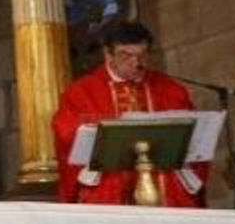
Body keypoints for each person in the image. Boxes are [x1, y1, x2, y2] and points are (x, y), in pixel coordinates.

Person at [52, 18, 208, 205]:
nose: (136, 63)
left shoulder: (171, 90)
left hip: (165, 182)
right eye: (126, 56)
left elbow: (195, 142)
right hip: (109, 182)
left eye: (142, 55)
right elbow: (66, 135)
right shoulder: (81, 92)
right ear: (108, 55)